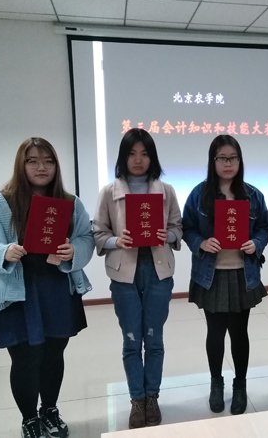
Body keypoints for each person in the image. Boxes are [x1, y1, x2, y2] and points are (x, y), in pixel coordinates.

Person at [0, 137, 94, 438]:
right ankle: (29, 418)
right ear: (21, 165)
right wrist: (2, 252)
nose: (42, 167)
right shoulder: (1, 203)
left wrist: (74, 250)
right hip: (18, 294)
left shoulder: (70, 202)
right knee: (25, 358)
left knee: (53, 354)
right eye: (33, 161)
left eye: (49, 161)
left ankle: (49, 409)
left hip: (57, 290)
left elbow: (86, 238)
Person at [93, 128, 182, 429]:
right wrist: (116, 240)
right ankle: (137, 399)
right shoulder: (109, 192)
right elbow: (98, 233)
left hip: (158, 270)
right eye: (132, 153)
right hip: (124, 273)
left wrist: (168, 235)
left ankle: (152, 396)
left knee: (154, 338)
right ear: (123, 157)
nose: (138, 160)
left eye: (144, 154)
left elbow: (178, 228)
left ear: (152, 157)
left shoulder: (166, 191)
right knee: (132, 339)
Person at [182, 134, 268, 415]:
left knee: (240, 333)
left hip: (243, 273)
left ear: (240, 161)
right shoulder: (199, 194)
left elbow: (265, 228)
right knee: (215, 332)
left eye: (233, 158)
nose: (228, 163)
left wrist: (256, 243)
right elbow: (187, 227)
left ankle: (240, 385)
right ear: (213, 161)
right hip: (212, 274)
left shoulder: (253, 195)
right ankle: (216, 383)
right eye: (222, 158)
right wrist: (201, 243)